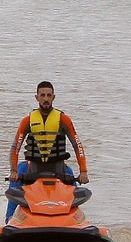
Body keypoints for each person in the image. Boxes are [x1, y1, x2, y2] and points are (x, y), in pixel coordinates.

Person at [5, 81, 90, 223]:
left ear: (53, 97)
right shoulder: (27, 121)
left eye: (48, 95)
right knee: (16, 179)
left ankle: (77, 222)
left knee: (73, 186)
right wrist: (13, 171)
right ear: (36, 97)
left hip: (59, 169)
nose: (45, 98)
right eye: (42, 95)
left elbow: (77, 145)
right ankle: (9, 221)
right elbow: (15, 147)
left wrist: (83, 172)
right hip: (31, 169)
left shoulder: (63, 119)